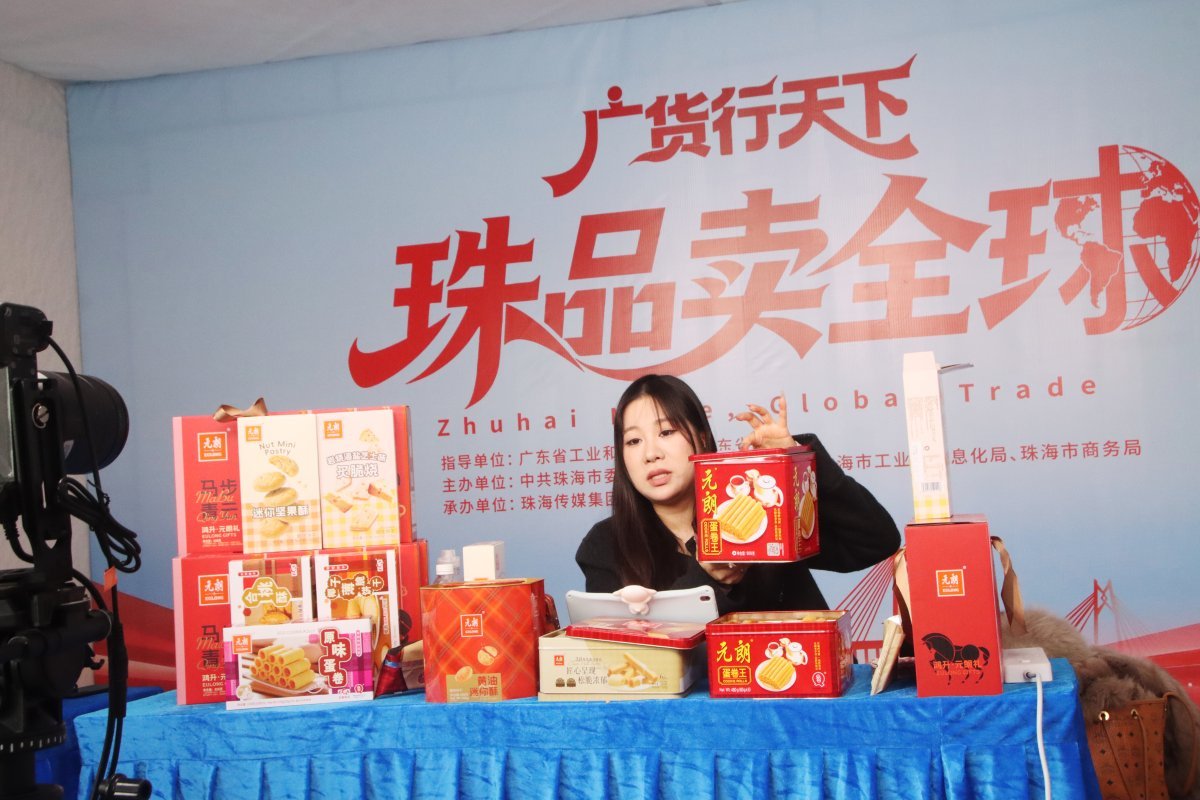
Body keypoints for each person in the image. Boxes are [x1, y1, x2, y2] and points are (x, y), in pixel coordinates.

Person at [575, 374, 900, 615]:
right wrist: (706, 579)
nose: (651, 454)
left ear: (702, 438)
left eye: (667, 432)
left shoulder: (758, 514)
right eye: (633, 441)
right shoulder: (605, 546)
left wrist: (798, 460)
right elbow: (625, 652)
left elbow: (875, 541)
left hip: (794, 687)